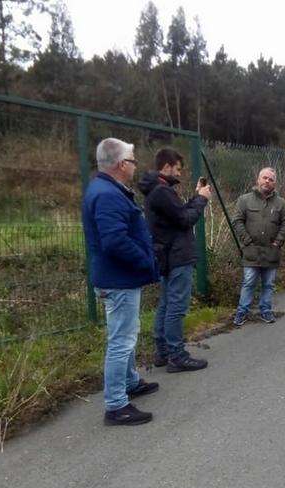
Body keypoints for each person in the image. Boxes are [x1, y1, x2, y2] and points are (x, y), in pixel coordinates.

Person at [81, 138, 159, 426]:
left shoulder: (107, 190)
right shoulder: (108, 194)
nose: (136, 165)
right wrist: (145, 260)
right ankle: (116, 404)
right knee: (122, 340)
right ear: (121, 164)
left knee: (126, 333)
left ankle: (130, 381)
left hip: (118, 278)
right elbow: (115, 240)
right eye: (133, 160)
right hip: (119, 280)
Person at [138, 147, 212, 373]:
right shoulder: (162, 191)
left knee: (166, 304)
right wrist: (200, 201)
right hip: (177, 255)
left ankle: (163, 351)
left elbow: (178, 214)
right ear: (167, 166)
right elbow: (184, 220)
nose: (180, 173)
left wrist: (195, 198)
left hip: (167, 254)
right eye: (178, 169)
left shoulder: (158, 190)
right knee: (176, 307)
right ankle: (176, 355)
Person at [232, 167, 285, 326]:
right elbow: (237, 221)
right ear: (258, 180)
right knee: (249, 282)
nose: (267, 181)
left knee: (269, 284)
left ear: (274, 183)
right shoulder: (244, 200)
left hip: (271, 252)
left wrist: (278, 242)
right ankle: (242, 311)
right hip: (251, 251)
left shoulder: (281, 203)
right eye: (264, 178)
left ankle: (265, 310)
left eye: (271, 179)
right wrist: (247, 241)